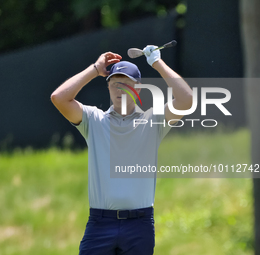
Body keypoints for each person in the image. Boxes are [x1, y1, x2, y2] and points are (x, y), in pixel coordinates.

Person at [51, 45, 193, 255]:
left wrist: (157, 63)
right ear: (108, 87)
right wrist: (95, 69)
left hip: (140, 224)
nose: (120, 89)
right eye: (116, 84)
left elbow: (187, 100)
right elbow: (59, 98)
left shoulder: (152, 120)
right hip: (100, 223)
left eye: (127, 84)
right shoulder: (94, 119)